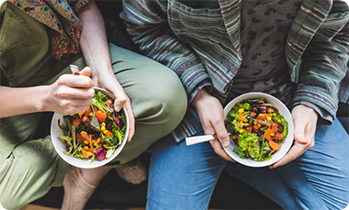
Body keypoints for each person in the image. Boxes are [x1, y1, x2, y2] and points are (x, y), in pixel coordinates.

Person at [120, 0, 349, 209]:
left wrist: (311, 101)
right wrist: (199, 94)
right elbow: (145, 26)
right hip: (195, 106)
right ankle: (240, 163)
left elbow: (338, 36)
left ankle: (239, 164)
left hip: (290, 96)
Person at [0, 0, 187, 209]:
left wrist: (101, 72)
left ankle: (89, 167)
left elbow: (82, 5)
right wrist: (44, 98)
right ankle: (90, 163)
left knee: (166, 96)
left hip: (60, 56)